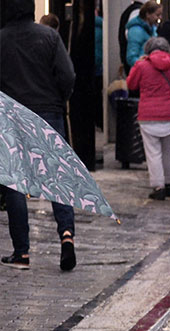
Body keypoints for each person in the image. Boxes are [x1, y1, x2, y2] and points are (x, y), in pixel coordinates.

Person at [0, 0, 77, 271]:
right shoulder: (50, 36)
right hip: (49, 113)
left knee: (15, 183)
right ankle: (66, 235)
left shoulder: (2, 40)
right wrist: (59, 99)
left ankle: (22, 252)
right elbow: (68, 76)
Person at [126, 36, 170, 200]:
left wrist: (137, 64)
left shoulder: (142, 65)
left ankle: (159, 186)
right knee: (167, 150)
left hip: (148, 115)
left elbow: (131, 84)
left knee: (153, 153)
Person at [126, 0, 161, 68]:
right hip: (142, 71)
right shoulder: (136, 31)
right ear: (148, 14)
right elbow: (131, 57)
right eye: (157, 15)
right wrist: (144, 64)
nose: (160, 17)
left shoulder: (153, 29)